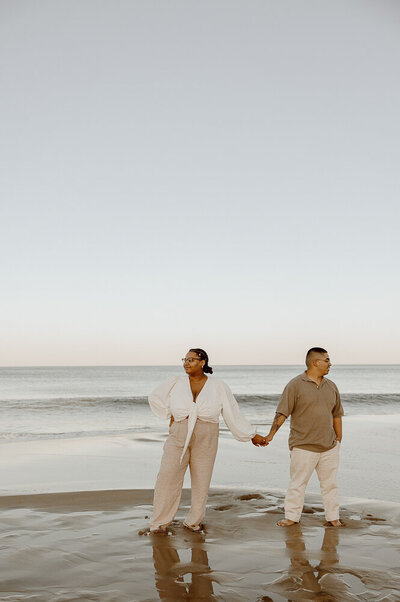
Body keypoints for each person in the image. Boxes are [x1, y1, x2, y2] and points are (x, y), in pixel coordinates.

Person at [148, 348, 265, 533]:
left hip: (207, 434)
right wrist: (169, 413)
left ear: (202, 362)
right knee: (167, 478)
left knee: (201, 480)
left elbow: (231, 411)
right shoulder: (175, 382)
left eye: (191, 359)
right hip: (179, 433)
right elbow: (155, 397)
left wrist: (250, 434)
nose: (186, 363)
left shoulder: (218, 385)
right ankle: (159, 523)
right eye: (184, 359)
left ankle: (193, 521)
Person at [263, 347, 344, 527]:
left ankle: (333, 517)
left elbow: (337, 414)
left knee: (330, 485)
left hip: (329, 447)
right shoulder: (295, 385)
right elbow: (282, 412)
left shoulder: (331, 386)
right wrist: (270, 435)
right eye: (327, 360)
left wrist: (338, 439)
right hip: (303, 446)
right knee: (297, 484)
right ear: (316, 362)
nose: (330, 364)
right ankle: (291, 517)